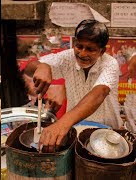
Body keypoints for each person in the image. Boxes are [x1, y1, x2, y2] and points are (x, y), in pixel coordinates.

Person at [23, 19, 122, 152]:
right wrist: (43, 66)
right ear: (74, 43)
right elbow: (29, 68)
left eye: (90, 49)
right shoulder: (67, 58)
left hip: (107, 133)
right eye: (79, 46)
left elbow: (100, 92)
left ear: (102, 51)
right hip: (75, 131)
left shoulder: (110, 64)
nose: (82, 54)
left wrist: (61, 124)